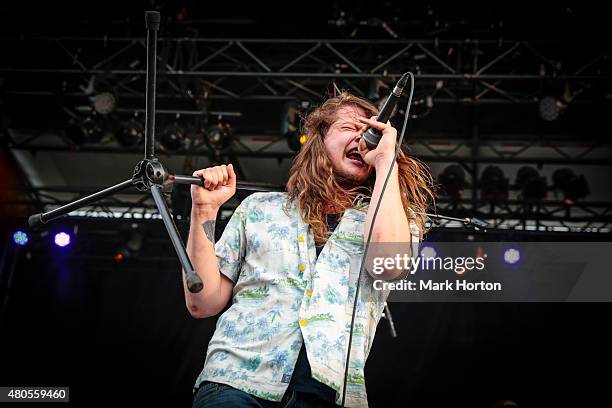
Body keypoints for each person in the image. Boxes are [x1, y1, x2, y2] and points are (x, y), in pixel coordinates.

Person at [185, 91, 435, 407]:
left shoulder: (394, 218)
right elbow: (202, 303)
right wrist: (204, 212)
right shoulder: (260, 209)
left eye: (370, 131)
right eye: (350, 128)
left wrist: (387, 162)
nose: (363, 138)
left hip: (328, 395)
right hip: (236, 382)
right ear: (319, 139)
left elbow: (388, 263)